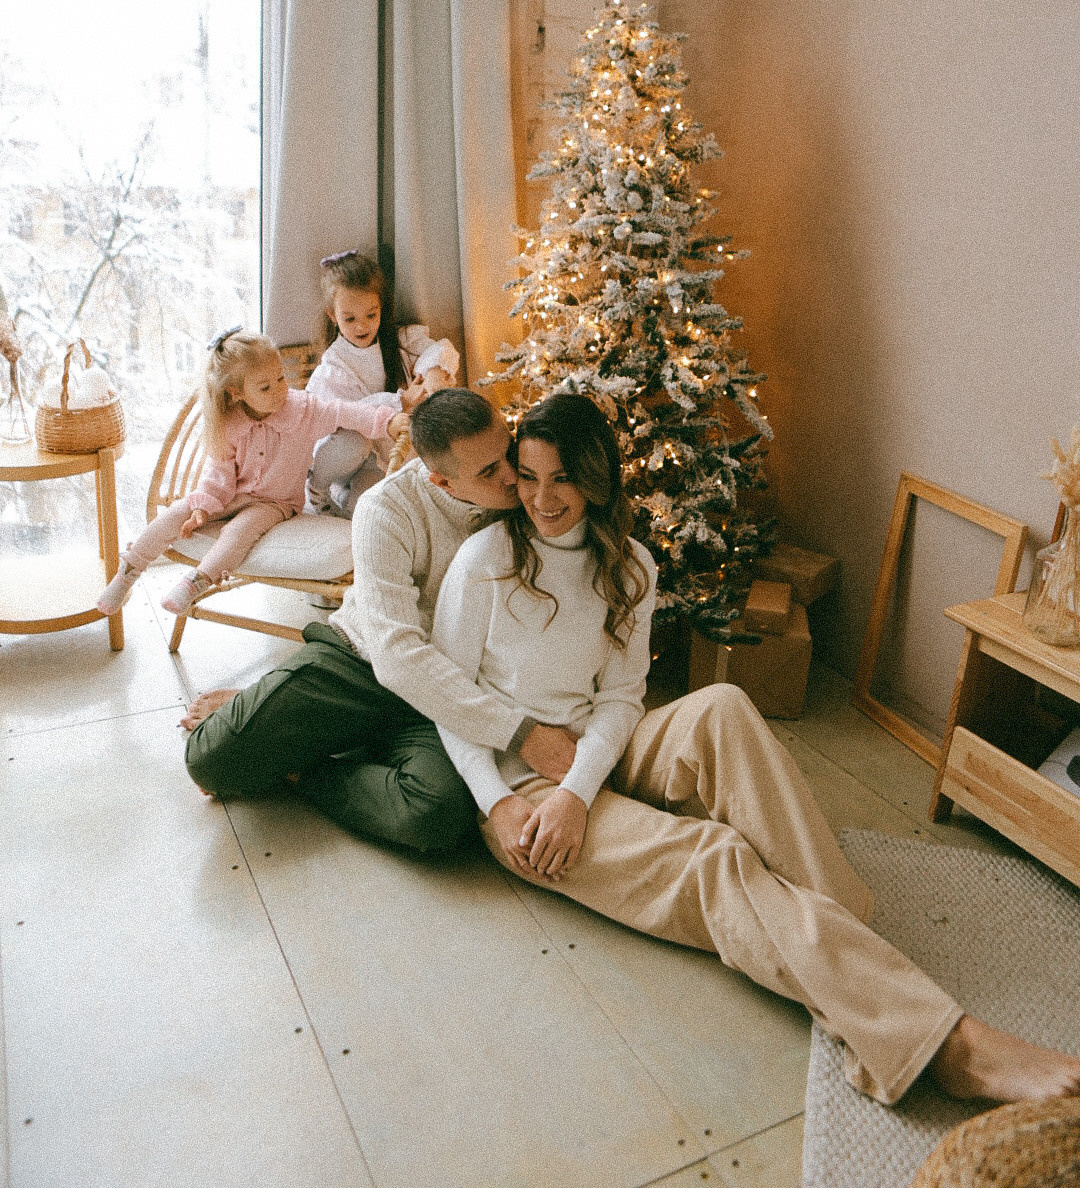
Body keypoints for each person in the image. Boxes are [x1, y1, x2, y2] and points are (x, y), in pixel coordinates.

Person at [431, 391, 1080, 1108]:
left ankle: (840, 952)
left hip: (594, 755)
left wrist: (584, 787)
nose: (542, 498)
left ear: (597, 476)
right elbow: (449, 705)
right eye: (527, 476)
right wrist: (501, 805)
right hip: (523, 795)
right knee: (715, 860)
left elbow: (620, 703)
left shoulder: (631, 566)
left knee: (724, 708)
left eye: (562, 477)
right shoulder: (482, 561)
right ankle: (947, 1046)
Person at [181, 389, 580, 855]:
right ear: (443, 482)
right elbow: (395, 654)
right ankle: (279, 711)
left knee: (438, 816)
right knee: (211, 760)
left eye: (506, 451)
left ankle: (303, 765)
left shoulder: (532, 497)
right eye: (489, 471)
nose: (514, 477)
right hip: (361, 663)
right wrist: (521, 733)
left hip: (448, 689)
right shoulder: (387, 509)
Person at [96, 329, 404, 618]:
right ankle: (128, 574)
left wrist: (387, 421)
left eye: (281, 379)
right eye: (265, 387)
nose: (279, 391)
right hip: (231, 495)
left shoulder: (303, 411)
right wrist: (203, 509)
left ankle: (198, 580)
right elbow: (218, 476)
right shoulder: (229, 424)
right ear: (237, 392)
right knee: (176, 512)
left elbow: (345, 412)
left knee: (239, 531)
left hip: (275, 504)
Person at [305, 250, 459, 515]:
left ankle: (348, 505)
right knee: (355, 441)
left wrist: (433, 372)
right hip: (346, 456)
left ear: (381, 308)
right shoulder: (334, 366)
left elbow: (438, 349)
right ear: (333, 316)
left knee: (370, 510)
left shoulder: (400, 340)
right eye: (350, 318)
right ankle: (316, 491)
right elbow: (344, 414)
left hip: (383, 458)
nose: (362, 326)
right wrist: (400, 401)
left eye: (371, 315)